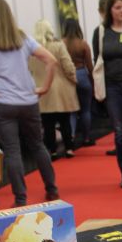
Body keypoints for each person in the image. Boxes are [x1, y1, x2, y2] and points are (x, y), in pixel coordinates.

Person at [0, 0, 59, 206]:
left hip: (3, 103)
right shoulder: (23, 39)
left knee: (12, 150)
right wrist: (44, 87)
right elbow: (51, 61)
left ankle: (20, 198)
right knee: (37, 145)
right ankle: (52, 189)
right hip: (28, 101)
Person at [94, 0, 122, 188]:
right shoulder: (101, 31)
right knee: (120, 132)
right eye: (118, 7)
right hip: (112, 86)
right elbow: (97, 58)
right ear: (110, 10)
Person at [32, 20, 79, 160]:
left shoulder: (32, 50)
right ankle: (69, 148)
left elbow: (29, 69)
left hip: (41, 90)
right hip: (60, 89)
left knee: (48, 124)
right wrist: (74, 79)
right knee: (65, 121)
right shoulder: (58, 46)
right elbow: (68, 65)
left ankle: (52, 150)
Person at [62, 20, 95, 147]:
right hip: (82, 75)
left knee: (72, 111)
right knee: (86, 110)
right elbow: (90, 66)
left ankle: (71, 137)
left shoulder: (61, 44)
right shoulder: (83, 44)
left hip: (68, 77)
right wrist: (93, 83)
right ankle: (86, 138)